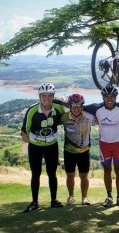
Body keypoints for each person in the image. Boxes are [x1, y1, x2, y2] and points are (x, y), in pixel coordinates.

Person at [83, 84, 119, 207]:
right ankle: (109, 196)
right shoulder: (96, 108)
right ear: (103, 97)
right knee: (107, 170)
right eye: (106, 96)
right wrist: (57, 101)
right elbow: (78, 106)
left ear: (116, 97)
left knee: (118, 170)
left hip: (118, 144)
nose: (109, 99)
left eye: (112, 96)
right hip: (104, 144)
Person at [21, 83, 65, 213]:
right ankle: (34, 202)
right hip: (35, 147)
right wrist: (35, 140)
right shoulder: (32, 110)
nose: (47, 98)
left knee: (52, 173)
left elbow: (63, 121)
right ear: (39, 96)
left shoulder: (58, 108)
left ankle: (54, 200)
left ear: (53, 96)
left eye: (50, 96)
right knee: (36, 174)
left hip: (52, 146)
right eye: (44, 96)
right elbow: (25, 131)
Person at [61, 94, 96, 206]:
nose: (76, 109)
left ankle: (84, 198)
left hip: (84, 151)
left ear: (82, 107)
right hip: (69, 151)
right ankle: (71, 196)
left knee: (84, 176)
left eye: (78, 106)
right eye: (73, 106)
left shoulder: (89, 117)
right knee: (70, 175)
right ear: (70, 106)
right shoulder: (64, 117)